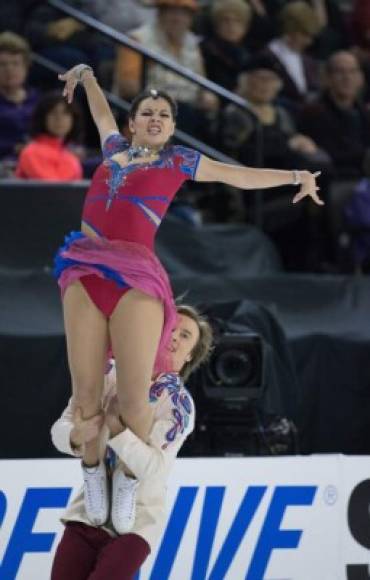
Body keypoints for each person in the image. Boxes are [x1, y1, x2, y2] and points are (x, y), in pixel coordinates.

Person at [54, 62, 322, 536]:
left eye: (164, 114)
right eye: (147, 112)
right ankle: (94, 474)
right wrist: (90, 77)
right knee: (87, 396)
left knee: (136, 398)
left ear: (173, 127)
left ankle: (131, 482)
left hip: (135, 277)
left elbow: (237, 176)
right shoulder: (113, 148)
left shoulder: (176, 161)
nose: (156, 118)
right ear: (133, 122)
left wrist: (296, 173)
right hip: (83, 269)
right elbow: (100, 116)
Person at [50, 304, 213, 580]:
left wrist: (117, 432)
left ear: (190, 357)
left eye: (185, 336)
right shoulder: (108, 373)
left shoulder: (179, 405)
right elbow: (60, 429)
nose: (174, 336)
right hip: (89, 511)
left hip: (138, 518)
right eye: (170, 328)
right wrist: (76, 436)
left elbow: (154, 468)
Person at [113, 0, 218, 137]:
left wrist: (207, 97)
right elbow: (128, 88)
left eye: (184, 14)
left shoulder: (193, 43)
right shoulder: (138, 39)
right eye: (172, 12)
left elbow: (201, 84)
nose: (177, 18)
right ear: (160, 13)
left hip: (188, 111)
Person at [298, 51, 370, 179]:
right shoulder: (313, 112)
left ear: (361, 78)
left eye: (353, 71)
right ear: (327, 78)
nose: (347, 77)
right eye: (340, 72)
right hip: (336, 182)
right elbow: (330, 155)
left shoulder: (363, 112)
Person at [16, 92, 83, 181]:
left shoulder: (71, 157)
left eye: (66, 113)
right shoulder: (31, 152)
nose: (59, 118)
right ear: (42, 118)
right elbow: (53, 191)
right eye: (53, 113)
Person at [0, 31, 39, 174]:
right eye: (2, 64)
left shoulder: (40, 101)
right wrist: (13, 147)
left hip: (38, 164)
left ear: (26, 66)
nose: (9, 70)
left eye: (16, 63)